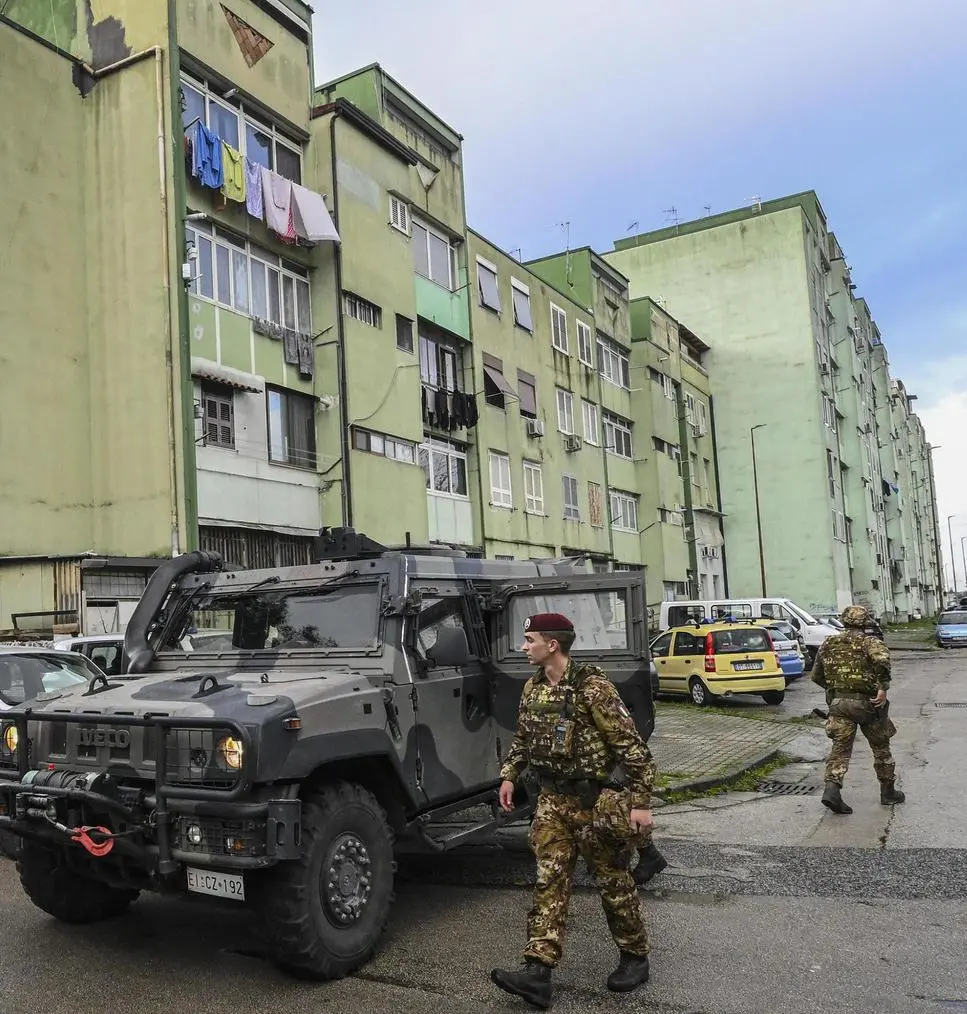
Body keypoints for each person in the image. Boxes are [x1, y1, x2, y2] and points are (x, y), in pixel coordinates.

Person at [490, 612, 655, 1009]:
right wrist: (510, 775)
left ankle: (635, 957)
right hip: (551, 803)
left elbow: (632, 749)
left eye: (530, 639)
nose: (523, 646)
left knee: (613, 883)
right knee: (549, 881)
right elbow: (524, 738)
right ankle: (538, 973)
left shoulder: (592, 688)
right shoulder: (533, 688)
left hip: (593, 803)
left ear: (553, 645)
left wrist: (641, 804)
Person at [811, 604, 905, 814]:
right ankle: (888, 792)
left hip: (839, 705)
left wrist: (836, 689)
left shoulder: (828, 642)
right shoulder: (870, 641)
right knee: (881, 747)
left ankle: (832, 790)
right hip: (868, 704)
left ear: (844, 621)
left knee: (840, 750)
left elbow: (816, 675)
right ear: (865, 622)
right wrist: (883, 688)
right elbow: (882, 662)